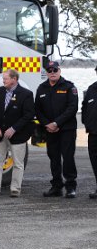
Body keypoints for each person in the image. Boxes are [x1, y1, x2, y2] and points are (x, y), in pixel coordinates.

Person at [0, 69, 35, 198]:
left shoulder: (26, 94)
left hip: (18, 135)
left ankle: (15, 189)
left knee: (18, 163)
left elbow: (28, 115)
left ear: (14, 79)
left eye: (6, 78)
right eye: (3, 78)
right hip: (0, 134)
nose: (3, 81)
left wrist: (14, 128)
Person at [35, 61, 79, 198]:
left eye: (55, 70)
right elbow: (38, 110)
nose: (52, 72)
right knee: (53, 158)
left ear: (59, 71)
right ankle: (56, 186)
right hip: (50, 130)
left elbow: (72, 108)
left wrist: (56, 123)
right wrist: (47, 124)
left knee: (67, 158)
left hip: (66, 129)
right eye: (49, 70)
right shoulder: (41, 88)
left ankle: (71, 187)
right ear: (46, 72)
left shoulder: (69, 87)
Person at [81, 65, 97, 199]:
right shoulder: (92, 89)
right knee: (95, 161)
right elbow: (84, 107)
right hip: (94, 133)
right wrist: (87, 124)